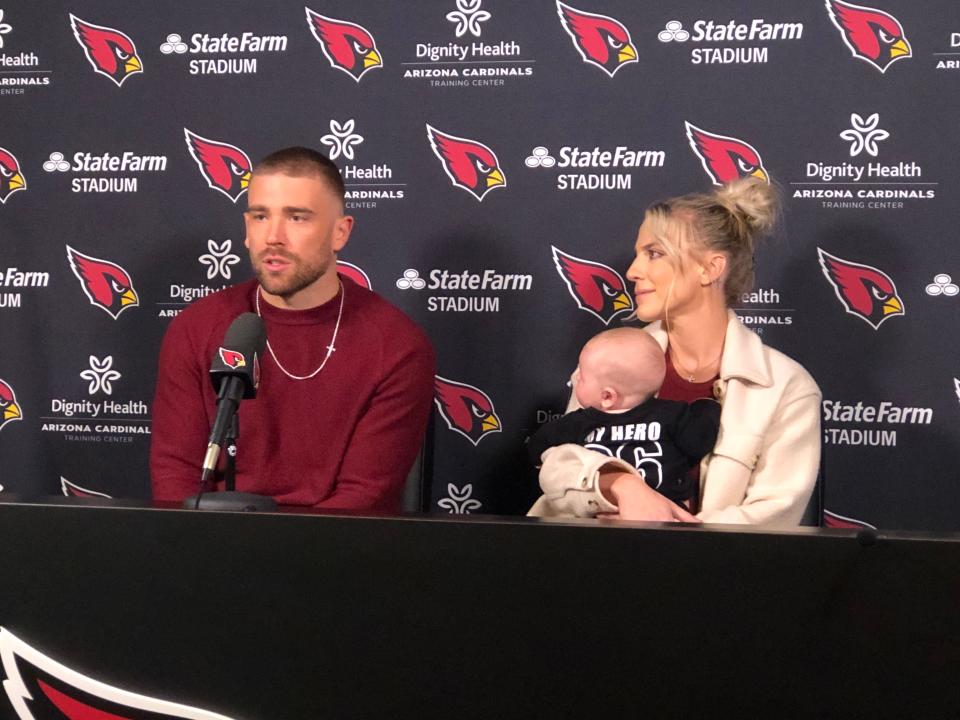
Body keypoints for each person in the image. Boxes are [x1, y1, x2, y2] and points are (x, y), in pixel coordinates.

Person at [150, 147, 435, 511]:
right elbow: (175, 475)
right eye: (260, 216)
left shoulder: (398, 345)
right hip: (211, 547)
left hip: (334, 556)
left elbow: (363, 498)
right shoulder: (196, 328)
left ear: (340, 232)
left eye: (297, 218)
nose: (274, 237)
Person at [529, 178, 820, 526]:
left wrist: (675, 538)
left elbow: (773, 516)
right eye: (639, 255)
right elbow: (560, 465)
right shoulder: (608, 359)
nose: (633, 271)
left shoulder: (786, 387)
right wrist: (619, 484)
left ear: (710, 268)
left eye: (654, 253)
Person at [527, 327, 720, 509]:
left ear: (607, 397)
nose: (575, 381)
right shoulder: (673, 415)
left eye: (582, 377)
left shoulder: (577, 423)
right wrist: (706, 406)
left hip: (601, 521)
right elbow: (700, 440)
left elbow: (537, 448)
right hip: (664, 523)